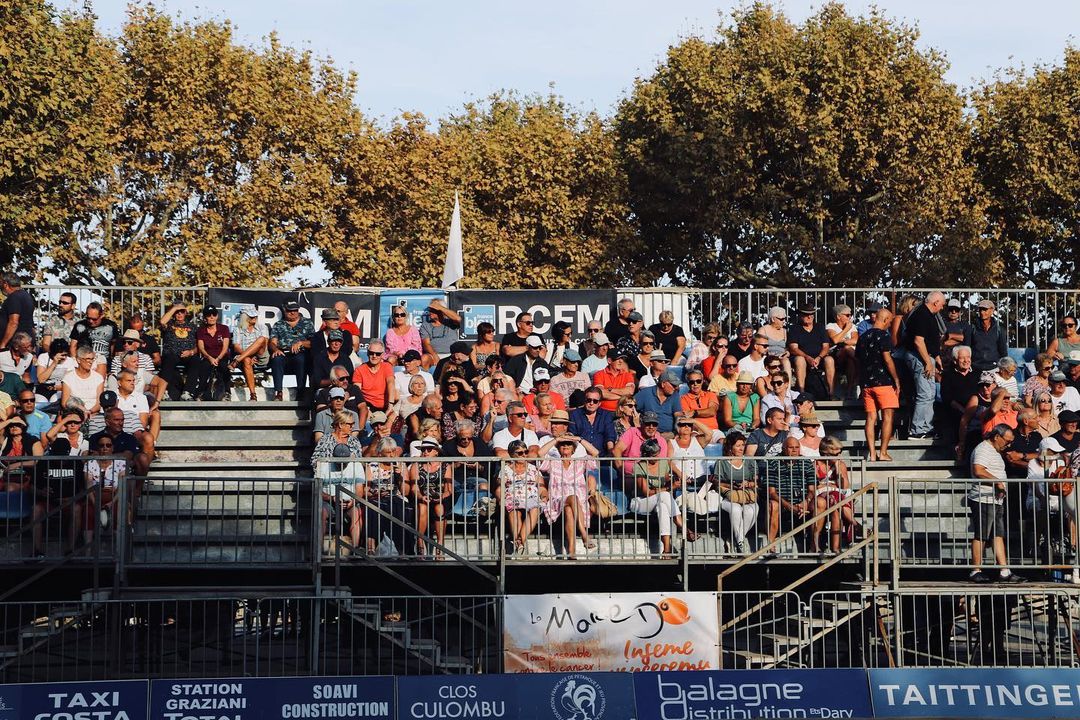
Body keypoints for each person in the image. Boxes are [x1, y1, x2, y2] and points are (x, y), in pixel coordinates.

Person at [968, 424, 1024, 583]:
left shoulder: (994, 450)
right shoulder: (983, 449)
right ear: (996, 437)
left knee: (997, 534)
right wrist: (998, 482)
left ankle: (1004, 571)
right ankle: (975, 570)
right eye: (1007, 441)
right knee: (981, 534)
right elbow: (978, 470)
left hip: (995, 499)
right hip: (983, 498)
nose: (1008, 445)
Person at [311, 412, 367, 551]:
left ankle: (355, 550)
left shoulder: (354, 441)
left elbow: (358, 464)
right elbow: (315, 461)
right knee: (321, 511)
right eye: (350, 424)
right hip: (329, 485)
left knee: (357, 512)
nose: (352, 427)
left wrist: (352, 500)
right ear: (340, 424)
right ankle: (318, 552)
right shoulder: (326, 440)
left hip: (349, 489)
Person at [630, 438, 696, 556]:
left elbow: (666, 479)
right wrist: (669, 488)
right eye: (654, 455)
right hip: (641, 502)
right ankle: (684, 528)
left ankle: (666, 550)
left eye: (658, 454)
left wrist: (674, 481)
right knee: (665, 495)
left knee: (663, 508)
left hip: (659, 500)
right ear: (647, 455)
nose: (657, 457)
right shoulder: (639, 466)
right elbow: (647, 492)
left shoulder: (663, 463)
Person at [539, 435, 597, 559]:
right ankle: (584, 534)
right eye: (562, 444)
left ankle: (571, 551)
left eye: (569, 444)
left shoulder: (579, 462)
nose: (565, 446)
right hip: (557, 500)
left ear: (573, 449)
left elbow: (595, 453)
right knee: (572, 497)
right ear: (558, 448)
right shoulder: (552, 462)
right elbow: (540, 453)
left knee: (569, 510)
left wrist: (579, 439)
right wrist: (556, 440)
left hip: (578, 504)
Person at [855, 305, 901, 461]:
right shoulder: (884, 336)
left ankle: (872, 454)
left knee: (870, 418)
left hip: (867, 383)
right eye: (890, 321)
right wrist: (896, 379)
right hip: (883, 382)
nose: (890, 324)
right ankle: (883, 452)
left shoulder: (862, 337)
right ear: (886, 319)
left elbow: (858, 360)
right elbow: (887, 359)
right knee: (888, 417)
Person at [898, 291, 946, 439]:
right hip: (919, 358)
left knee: (930, 393)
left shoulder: (928, 315)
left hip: (927, 357)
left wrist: (936, 357)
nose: (942, 308)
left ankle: (927, 427)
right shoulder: (921, 314)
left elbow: (931, 340)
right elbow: (918, 341)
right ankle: (917, 429)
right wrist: (927, 362)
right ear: (936, 302)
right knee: (924, 393)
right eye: (942, 304)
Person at [761, 436, 816, 550]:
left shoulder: (806, 462)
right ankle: (771, 545)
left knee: (820, 503)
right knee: (773, 505)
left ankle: (815, 544)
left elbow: (812, 489)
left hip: (802, 502)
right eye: (791, 447)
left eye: (797, 447)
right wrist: (789, 506)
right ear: (783, 449)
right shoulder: (773, 463)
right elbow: (771, 492)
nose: (795, 450)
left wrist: (806, 501)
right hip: (781, 502)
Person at [811, 437, 860, 554]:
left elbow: (844, 487)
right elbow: (814, 487)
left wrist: (837, 468)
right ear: (825, 453)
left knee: (835, 505)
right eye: (836, 454)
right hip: (818, 499)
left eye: (840, 452)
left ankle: (835, 548)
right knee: (834, 498)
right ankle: (855, 524)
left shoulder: (840, 465)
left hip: (835, 500)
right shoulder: (815, 465)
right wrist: (831, 485)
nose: (839, 456)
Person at [497, 439, 546, 555]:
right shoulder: (505, 469)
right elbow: (499, 488)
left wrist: (544, 495)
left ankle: (519, 540)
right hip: (512, 495)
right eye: (520, 453)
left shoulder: (533, 468)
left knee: (535, 509)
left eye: (526, 452)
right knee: (514, 510)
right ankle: (520, 543)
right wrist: (500, 498)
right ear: (511, 454)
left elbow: (542, 487)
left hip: (531, 496)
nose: (524, 455)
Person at [715, 431, 758, 554]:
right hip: (728, 496)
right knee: (736, 510)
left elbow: (756, 481)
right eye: (738, 445)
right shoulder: (722, 462)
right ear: (730, 447)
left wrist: (748, 484)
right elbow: (717, 482)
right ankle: (740, 543)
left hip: (747, 495)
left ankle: (737, 540)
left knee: (752, 510)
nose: (741, 448)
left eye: (743, 445)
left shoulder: (750, 461)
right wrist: (732, 485)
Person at [82, 434, 127, 546]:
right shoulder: (90, 464)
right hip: (95, 496)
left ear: (113, 447)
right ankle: (88, 551)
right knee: (88, 512)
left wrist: (111, 503)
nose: (105, 448)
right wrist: (95, 503)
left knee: (119, 511)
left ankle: (117, 550)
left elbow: (122, 487)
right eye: (101, 445)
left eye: (108, 445)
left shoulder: (121, 463)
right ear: (98, 448)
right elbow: (88, 486)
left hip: (114, 497)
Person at [410, 438, 452, 557]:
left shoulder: (445, 466)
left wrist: (441, 497)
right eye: (423, 450)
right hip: (422, 496)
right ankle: (420, 542)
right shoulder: (416, 465)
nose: (425, 452)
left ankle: (440, 545)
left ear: (436, 451)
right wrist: (421, 496)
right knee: (422, 507)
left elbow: (449, 490)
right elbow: (414, 487)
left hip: (441, 497)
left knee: (439, 508)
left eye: (429, 449)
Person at [269, 300, 314, 401]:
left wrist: (301, 343)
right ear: (285, 310)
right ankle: (278, 392)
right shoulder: (278, 324)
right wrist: (276, 349)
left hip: (300, 353)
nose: (292, 313)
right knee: (276, 359)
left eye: (295, 310)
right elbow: (272, 342)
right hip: (284, 353)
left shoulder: (307, 323)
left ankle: (301, 392)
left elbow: (313, 342)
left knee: (301, 359)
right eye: (289, 311)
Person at [787, 305, 834, 398]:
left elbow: (826, 346)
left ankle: (831, 392)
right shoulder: (794, 329)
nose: (809, 317)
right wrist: (807, 357)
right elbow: (794, 348)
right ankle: (802, 393)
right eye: (806, 315)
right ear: (800, 316)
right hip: (802, 357)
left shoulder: (820, 327)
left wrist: (819, 357)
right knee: (800, 360)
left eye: (812, 315)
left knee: (829, 360)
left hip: (819, 358)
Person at [158, 302, 199, 400]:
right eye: (177, 312)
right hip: (171, 354)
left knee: (196, 361)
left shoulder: (193, 326)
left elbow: (199, 346)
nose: (179, 314)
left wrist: (191, 352)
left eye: (182, 311)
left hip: (188, 354)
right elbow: (162, 322)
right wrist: (174, 308)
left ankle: (187, 392)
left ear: (185, 313)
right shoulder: (169, 324)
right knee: (168, 360)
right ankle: (164, 391)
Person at [229, 305, 270, 401]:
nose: (254, 317)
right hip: (244, 358)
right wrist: (249, 356)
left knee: (261, 339)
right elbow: (236, 347)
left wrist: (241, 358)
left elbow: (264, 344)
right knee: (247, 360)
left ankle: (237, 361)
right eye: (251, 316)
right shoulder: (237, 329)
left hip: (260, 355)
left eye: (255, 315)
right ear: (244, 317)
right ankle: (253, 395)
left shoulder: (263, 327)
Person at [613, 410, 669, 476]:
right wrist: (621, 470)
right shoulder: (631, 432)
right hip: (630, 475)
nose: (651, 427)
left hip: (652, 476)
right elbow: (616, 450)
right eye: (648, 424)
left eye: (654, 424)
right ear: (642, 423)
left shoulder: (661, 441)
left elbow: (661, 464)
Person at [69, 302, 119, 375]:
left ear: (101, 315)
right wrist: (75, 362)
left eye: (94, 319)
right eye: (88, 318)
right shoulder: (79, 325)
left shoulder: (111, 326)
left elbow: (113, 345)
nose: (91, 321)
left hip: (103, 364)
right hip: (84, 364)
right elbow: (73, 346)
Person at [941, 346, 979, 441]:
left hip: (976, 411)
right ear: (955, 361)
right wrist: (963, 411)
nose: (966, 360)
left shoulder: (978, 373)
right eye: (962, 358)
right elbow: (947, 398)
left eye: (968, 357)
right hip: (957, 412)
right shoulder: (948, 375)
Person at [193, 306, 231, 401]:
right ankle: (201, 392)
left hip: (221, 356)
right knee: (204, 367)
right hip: (208, 357)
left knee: (224, 367)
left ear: (217, 316)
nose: (211, 317)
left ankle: (227, 393)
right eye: (208, 315)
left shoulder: (224, 328)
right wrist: (209, 357)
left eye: (214, 314)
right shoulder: (201, 331)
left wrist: (218, 358)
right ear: (205, 317)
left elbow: (225, 347)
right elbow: (201, 347)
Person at [568, 386, 617, 455]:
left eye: (595, 401)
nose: (591, 403)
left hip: (602, 457)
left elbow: (610, 437)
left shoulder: (606, 415)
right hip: (580, 456)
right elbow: (572, 435)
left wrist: (610, 455)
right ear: (584, 401)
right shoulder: (575, 414)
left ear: (599, 403)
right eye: (589, 400)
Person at [353, 340, 396, 414]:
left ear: (382, 355)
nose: (374, 356)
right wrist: (365, 408)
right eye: (371, 353)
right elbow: (357, 392)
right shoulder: (359, 370)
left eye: (378, 354)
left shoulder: (387, 367)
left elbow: (391, 383)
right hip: (367, 406)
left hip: (385, 406)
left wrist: (390, 406)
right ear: (367, 353)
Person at [679, 368, 722, 443]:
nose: (695, 384)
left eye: (698, 381)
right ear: (688, 384)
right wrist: (704, 412)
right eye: (692, 382)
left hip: (714, 430)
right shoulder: (683, 399)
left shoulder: (711, 395)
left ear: (702, 382)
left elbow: (712, 411)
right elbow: (687, 417)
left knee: (723, 442)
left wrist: (694, 412)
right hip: (697, 431)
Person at [60, 347, 104, 418]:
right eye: (88, 359)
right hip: (75, 414)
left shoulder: (98, 378)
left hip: (93, 414)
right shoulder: (68, 378)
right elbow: (65, 403)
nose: (91, 362)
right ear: (78, 360)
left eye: (92, 359)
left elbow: (99, 403)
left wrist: (89, 412)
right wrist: (81, 412)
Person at [826, 304, 859, 398]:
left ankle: (849, 391)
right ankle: (860, 364)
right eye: (847, 315)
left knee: (850, 361)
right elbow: (835, 340)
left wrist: (843, 341)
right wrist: (846, 330)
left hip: (848, 356)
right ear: (838, 316)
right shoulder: (831, 326)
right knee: (847, 348)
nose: (850, 317)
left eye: (851, 315)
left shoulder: (853, 326)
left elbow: (856, 340)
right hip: (835, 355)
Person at [419, 300, 462, 367]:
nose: (430, 312)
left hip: (451, 355)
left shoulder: (451, 322)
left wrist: (440, 307)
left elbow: (458, 319)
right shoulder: (425, 325)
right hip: (433, 355)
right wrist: (434, 355)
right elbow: (426, 344)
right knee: (425, 358)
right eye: (430, 310)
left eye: (433, 310)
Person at [970, 300, 1009, 372]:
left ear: (992, 311)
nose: (982, 312)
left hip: (994, 368)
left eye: (985, 310)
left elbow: (1003, 352)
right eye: (980, 310)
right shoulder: (971, 328)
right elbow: (967, 349)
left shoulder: (999, 330)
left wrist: (1003, 367)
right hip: (975, 368)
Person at [0, 273, 35, 350]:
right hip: (24, 342)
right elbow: (31, 324)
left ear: (5, 284)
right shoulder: (27, 296)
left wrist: (3, 344)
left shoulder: (14, 297)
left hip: (14, 345)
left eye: (1, 283)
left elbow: (13, 323)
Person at [737, 334, 772, 399]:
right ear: (755, 346)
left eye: (768, 346)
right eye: (765, 346)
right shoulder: (743, 362)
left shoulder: (768, 361)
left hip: (768, 393)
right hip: (750, 395)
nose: (767, 348)